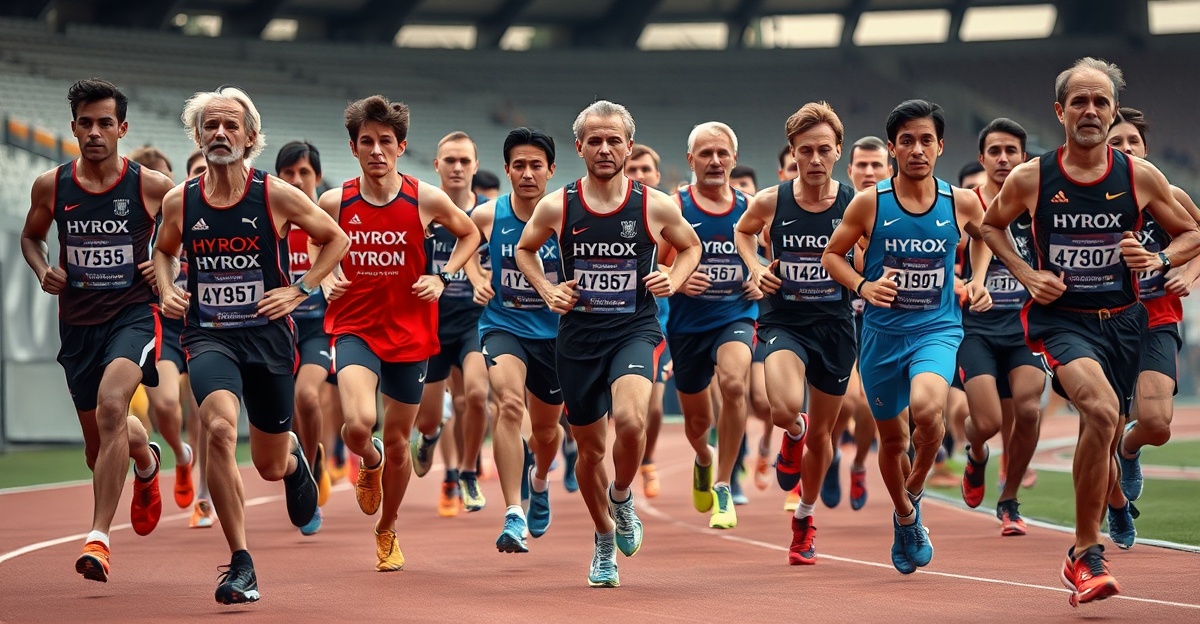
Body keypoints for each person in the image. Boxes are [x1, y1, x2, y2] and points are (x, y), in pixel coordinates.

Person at [981, 58, 1200, 606]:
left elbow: (1191, 232)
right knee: (1101, 411)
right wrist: (1028, 274)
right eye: (1079, 101)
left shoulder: (1139, 176)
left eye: (1100, 101)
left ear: (1112, 111)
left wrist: (1156, 257)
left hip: (1125, 321)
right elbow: (990, 224)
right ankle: (1085, 554)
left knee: (1112, 424)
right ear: (1060, 111)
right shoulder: (1033, 176)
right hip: (1062, 321)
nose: (1090, 110)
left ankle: (1104, 517)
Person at [153, 86, 347, 603]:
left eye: (230, 126)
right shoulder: (181, 199)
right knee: (217, 427)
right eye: (210, 126)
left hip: (267, 339)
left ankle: (293, 460)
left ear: (251, 137)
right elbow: (163, 254)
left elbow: (336, 238)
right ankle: (241, 562)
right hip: (208, 334)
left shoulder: (274, 195)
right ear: (197, 136)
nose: (220, 134)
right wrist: (169, 288)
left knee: (267, 462)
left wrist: (300, 289)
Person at [516, 100, 700, 587]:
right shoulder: (559, 204)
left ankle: (622, 497)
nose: (604, 148)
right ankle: (603, 539)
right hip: (577, 338)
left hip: (633, 329)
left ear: (629, 146)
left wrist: (674, 278)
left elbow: (691, 246)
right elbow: (524, 249)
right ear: (579, 147)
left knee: (633, 421)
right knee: (591, 451)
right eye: (594, 140)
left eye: (613, 140)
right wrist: (548, 288)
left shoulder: (652, 204)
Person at [822, 99, 990, 575]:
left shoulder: (959, 201)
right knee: (892, 441)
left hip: (936, 328)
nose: (917, 149)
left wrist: (976, 278)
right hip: (880, 337)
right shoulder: (870, 202)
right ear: (893, 148)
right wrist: (862, 285)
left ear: (940, 146)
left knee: (929, 412)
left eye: (926, 140)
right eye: (907, 141)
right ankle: (905, 516)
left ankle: (913, 491)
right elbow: (832, 256)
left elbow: (983, 235)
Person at [315, 95, 480, 572]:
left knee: (400, 439)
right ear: (354, 148)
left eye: (385, 141)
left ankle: (387, 528)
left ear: (401, 146)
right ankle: (368, 462)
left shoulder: (424, 197)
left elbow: (469, 234)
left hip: (410, 335)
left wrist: (442, 275)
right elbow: (314, 239)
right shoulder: (336, 201)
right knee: (359, 424)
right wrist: (326, 278)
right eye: (366, 141)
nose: (376, 150)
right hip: (355, 328)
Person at [22, 78, 174, 583]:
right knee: (98, 446)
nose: (94, 132)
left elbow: (195, 236)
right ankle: (146, 460)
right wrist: (43, 268)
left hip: (133, 315)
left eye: (104, 123)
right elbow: (30, 237)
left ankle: (98, 540)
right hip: (78, 325)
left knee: (114, 404)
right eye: (85, 122)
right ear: (73, 128)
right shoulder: (52, 185)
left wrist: (164, 265)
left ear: (122, 128)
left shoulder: (150, 186)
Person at [736, 102, 857, 562]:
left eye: (824, 150)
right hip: (784, 319)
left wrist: (857, 269)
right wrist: (758, 266)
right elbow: (743, 231)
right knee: (783, 407)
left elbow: (865, 256)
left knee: (824, 434)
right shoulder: (772, 200)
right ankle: (792, 431)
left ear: (838, 152)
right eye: (805, 151)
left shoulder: (853, 203)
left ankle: (804, 518)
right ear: (793, 152)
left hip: (835, 324)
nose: (814, 160)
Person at [1105, 107, 1200, 550]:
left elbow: (1197, 236)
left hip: (1155, 319)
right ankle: (1115, 509)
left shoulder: (1168, 193)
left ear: (1145, 147)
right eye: (1116, 143)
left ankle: (1129, 449)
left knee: (1157, 424)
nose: (1126, 150)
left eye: (1133, 143)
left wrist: (1188, 271)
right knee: (1101, 423)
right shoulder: (1082, 197)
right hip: (1099, 324)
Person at [470, 127, 564, 552]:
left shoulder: (567, 215)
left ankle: (539, 481)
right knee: (508, 404)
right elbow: (464, 243)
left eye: (536, 166)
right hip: (503, 325)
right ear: (507, 170)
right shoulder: (488, 215)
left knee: (546, 433)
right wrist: (476, 278)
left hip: (556, 335)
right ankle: (513, 513)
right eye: (519, 166)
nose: (527, 174)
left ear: (551, 171)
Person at [958, 119, 1047, 537]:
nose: (1003, 158)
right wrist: (963, 285)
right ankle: (976, 454)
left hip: (1023, 327)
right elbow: (935, 265)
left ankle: (1009, 499)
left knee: (1028, 409)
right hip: (974, 330)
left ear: (1023, 158)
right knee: (989, 422)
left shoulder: (1038, 209)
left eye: (1011, 150)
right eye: (994, 151)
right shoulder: (964, 207)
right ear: (982, 158)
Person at [668, 122, 759, 529]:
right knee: (696, 424)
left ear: (734, 159)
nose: (715, 161)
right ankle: (704, 457)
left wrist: (761, 275)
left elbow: (777, 260)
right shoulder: (675, 206)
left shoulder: (751, 208)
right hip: (688, 326)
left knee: (735, 384)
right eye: (705, 153)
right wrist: (679, 279)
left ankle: (724, 483)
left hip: (735, 315)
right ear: (691, 160)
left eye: (722, 153)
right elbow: (650, 262)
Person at [412, 131, 490, 516]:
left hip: (475, 322)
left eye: (464, 161)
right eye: (450, 160)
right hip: (430, 326)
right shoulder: (422, 213)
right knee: (428, 418)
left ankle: (468, 470)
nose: (457, 167)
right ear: (437, 165)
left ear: (475, 165)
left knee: (476, 396)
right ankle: (429, 437)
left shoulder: (490, 215)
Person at [128, 146, 198, 519]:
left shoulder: (190, 213)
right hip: (165, 326)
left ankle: (203, 495)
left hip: (205, 322)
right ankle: (181, 455)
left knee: (204, 410)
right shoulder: (135, 226)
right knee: (167, 405)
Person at [276, 140, 341, 535]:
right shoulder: (271, 219)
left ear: (317, 177)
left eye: (304, 173)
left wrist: (335, 282)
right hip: (277, 327)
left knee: (307, 395)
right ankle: (299, 462)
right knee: (287, 410)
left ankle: (313, 467)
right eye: (289, 173)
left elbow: (346, 255)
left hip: (320, 327)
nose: (297, 180)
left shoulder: (328, 222)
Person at [623, 143, 667, 499]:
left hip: (656, 328)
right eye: (632, 170)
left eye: (645, 170)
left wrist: (674, 274)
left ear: (658, 175)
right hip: (599, 325)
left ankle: (647, 462)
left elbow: (691, 252)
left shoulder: (664, 213)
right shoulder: (608, 213)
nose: (639, 176)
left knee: (649, 405)